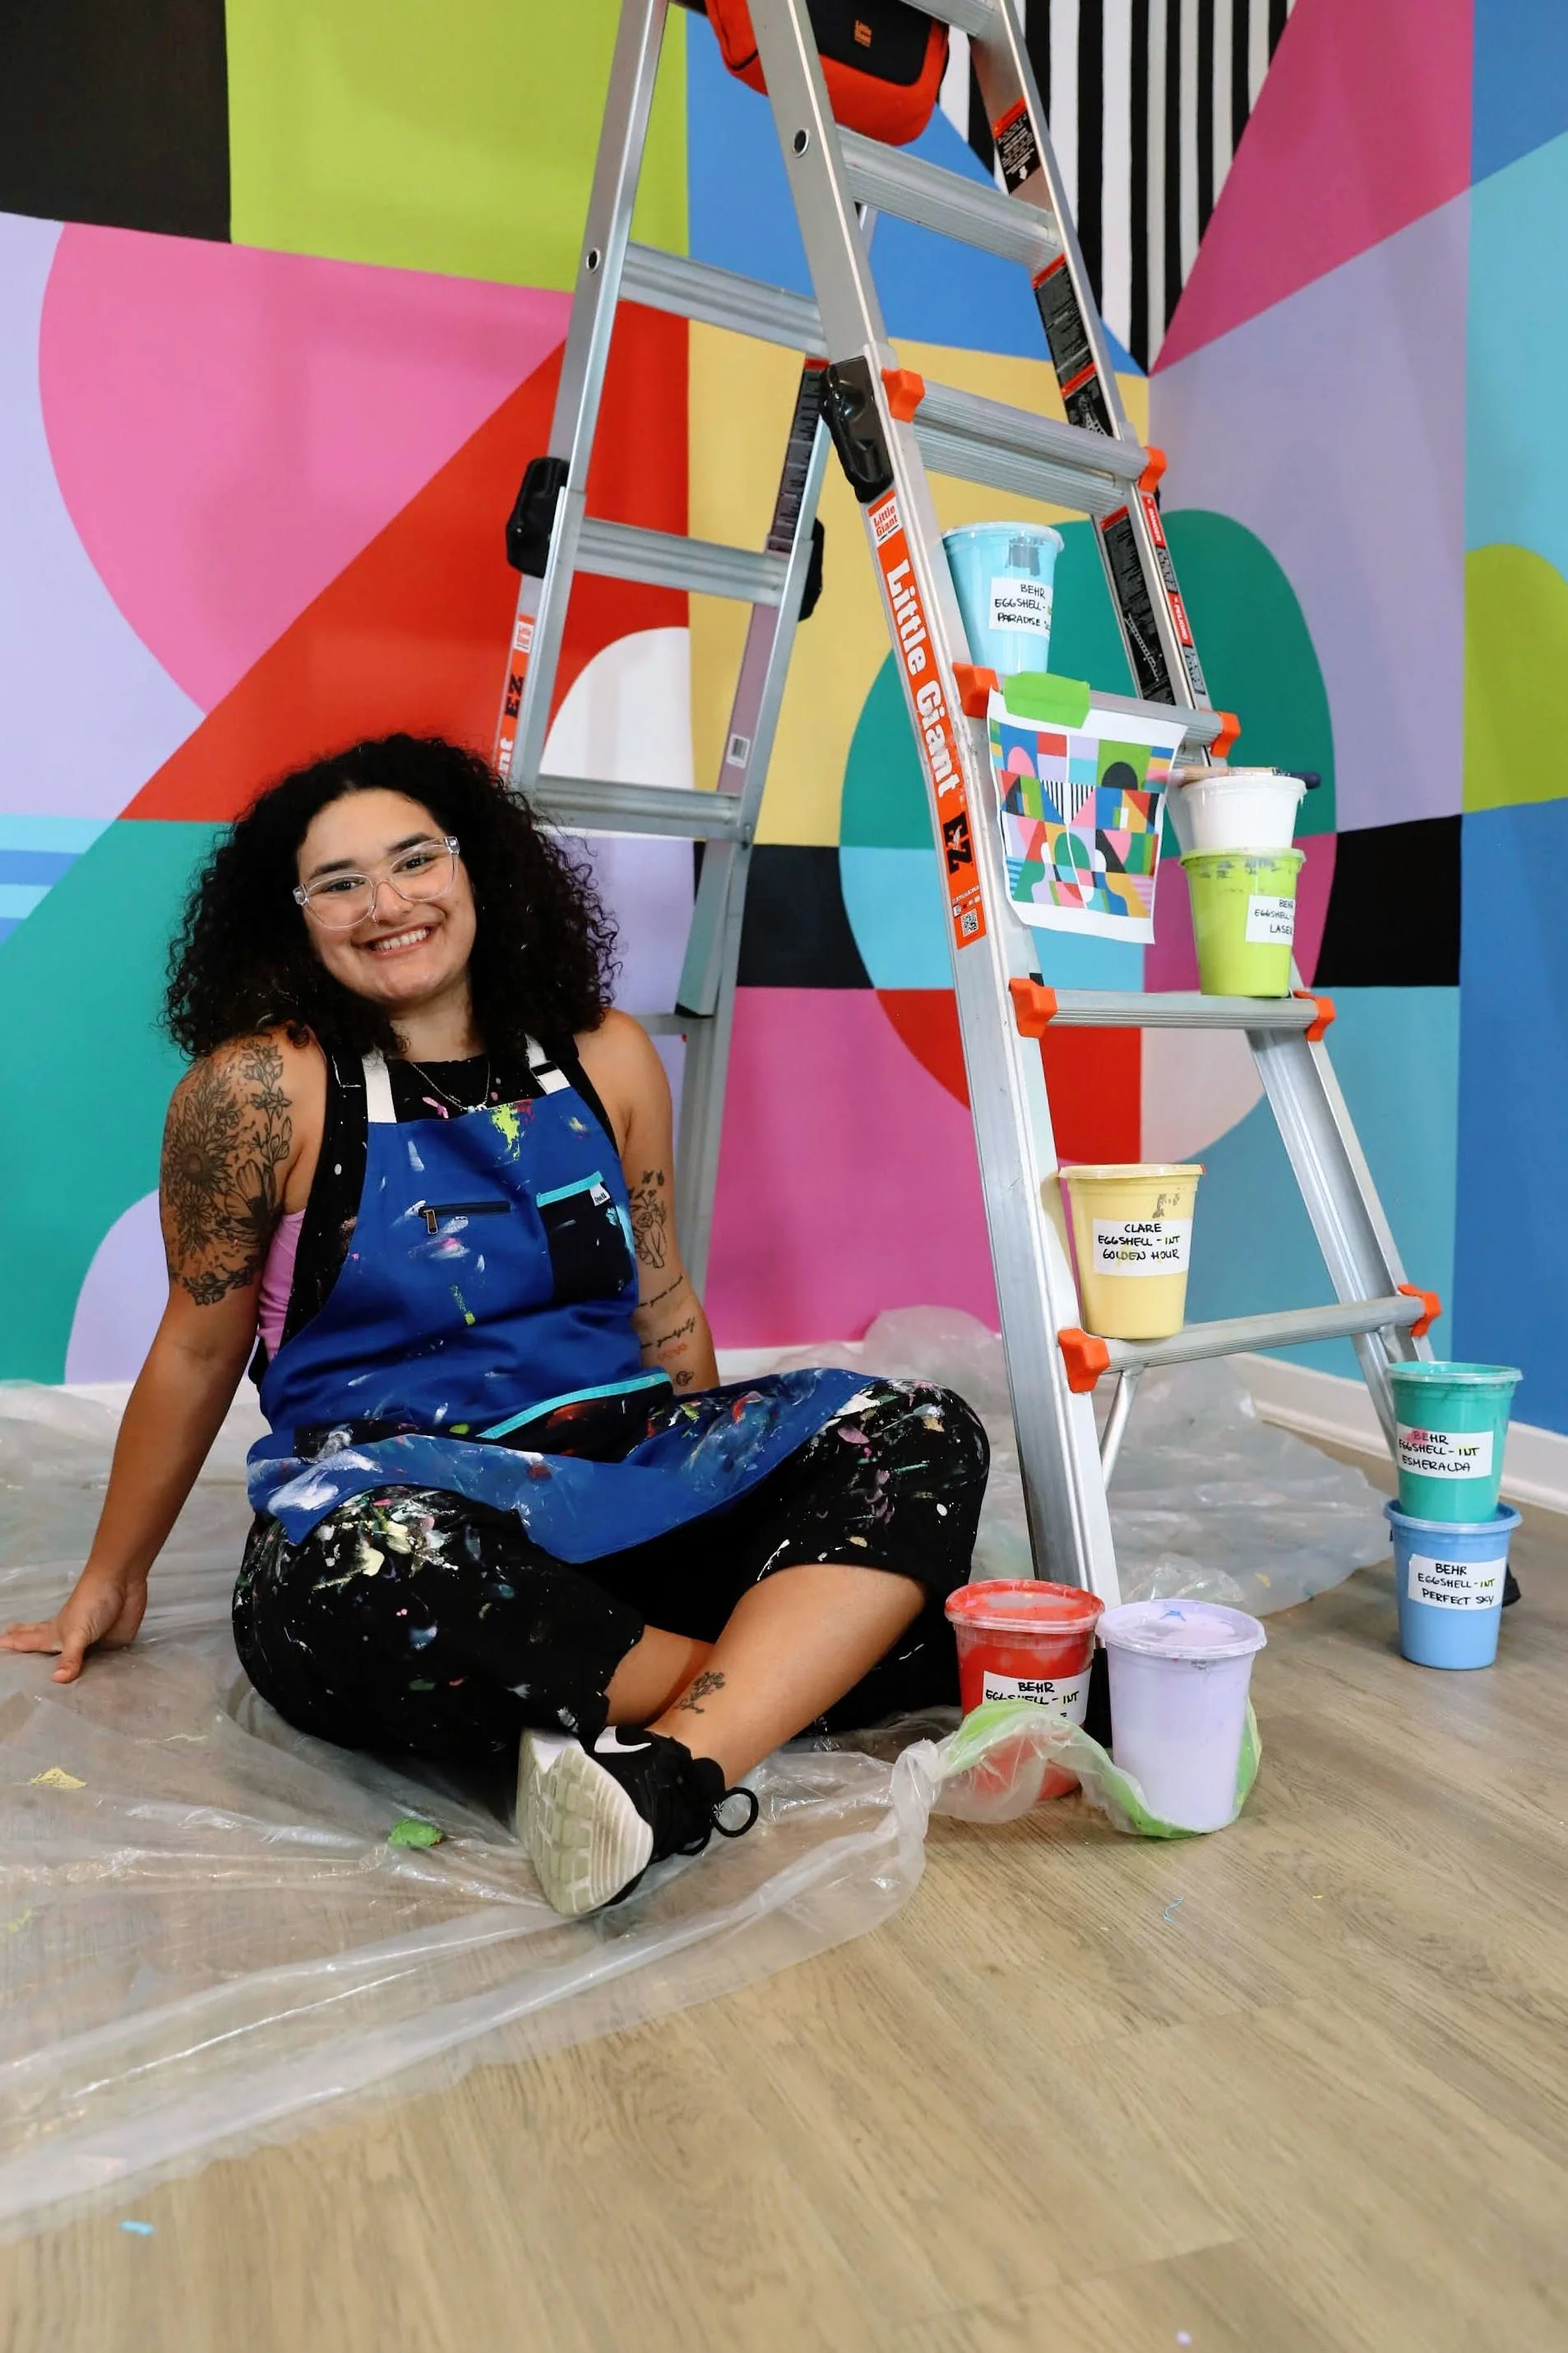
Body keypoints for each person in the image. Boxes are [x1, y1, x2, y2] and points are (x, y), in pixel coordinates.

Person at [1, 735, 988, 1915]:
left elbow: (662, 1300)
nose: (388, 903)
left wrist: (714, 1489)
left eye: (415, 860)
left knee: (913, 1424)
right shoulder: (257, 1093)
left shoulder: (609, 1057)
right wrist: (112, 1578)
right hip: (401, 1499)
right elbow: (198, 1346)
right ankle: (830, 1666)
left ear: (479, 869)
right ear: (294, 917)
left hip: (615, 1469)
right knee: (353, 1583)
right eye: (341, 882)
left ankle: (668, 1769)